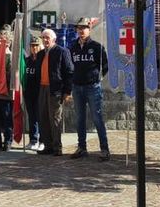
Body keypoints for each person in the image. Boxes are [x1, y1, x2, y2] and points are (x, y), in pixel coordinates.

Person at [69, 17, 110, 161]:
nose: (81, 30)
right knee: (79, 119)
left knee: (97, 118)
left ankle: (104, 149)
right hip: (77, 87)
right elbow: (71, 66)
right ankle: (82, 148)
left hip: (92, 87)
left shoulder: (97, 47)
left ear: (89, 29)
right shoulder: (73, 47)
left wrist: (98, 79)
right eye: (79, 28)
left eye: (84, 28)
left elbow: (105, 66)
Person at [35, 28, 73, 156]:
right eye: (43, 38)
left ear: (54, 39)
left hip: (55, 90)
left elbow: (69, 72)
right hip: (42, 88)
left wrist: (67, 91)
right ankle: (48, 146)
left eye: (48, 38)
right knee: (43, 117)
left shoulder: (62, 52)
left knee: (55, 119)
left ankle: (57, 147)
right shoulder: (40, 54)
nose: (45, 40)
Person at [0, 26, 14, 151]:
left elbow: (11, 75)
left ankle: (8, 140)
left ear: (8, 42)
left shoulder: (10, 56)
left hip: (6, 93)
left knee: (6, 118)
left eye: (2, 40)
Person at [24, 34, 44, 151]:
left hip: (40, 92)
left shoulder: (42, 60)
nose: (34, 48)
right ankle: (33, 140)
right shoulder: (27, 61)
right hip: (29, 92)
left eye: (36, 45)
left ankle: (42, 140)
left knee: (40, 117)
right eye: (32, 46)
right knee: (32, 117)